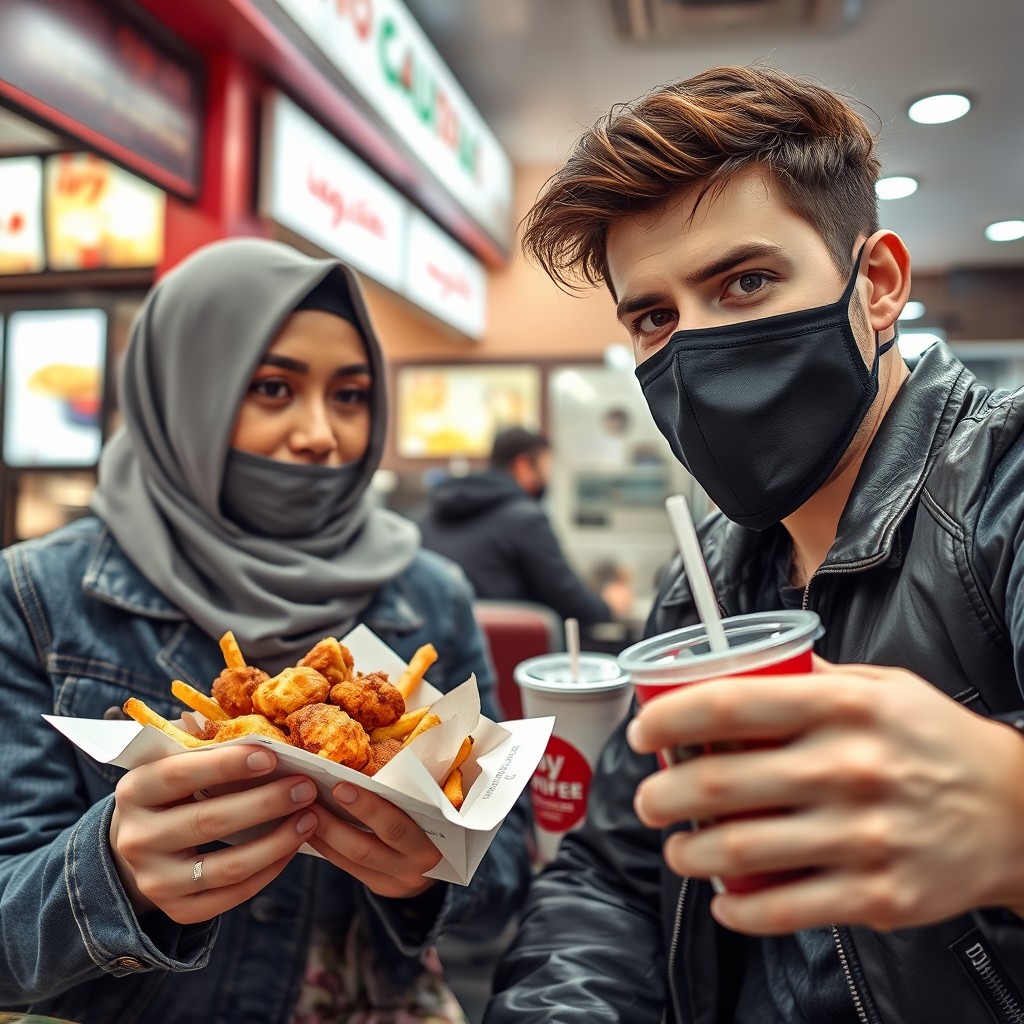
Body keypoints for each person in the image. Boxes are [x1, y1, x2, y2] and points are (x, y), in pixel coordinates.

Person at [483, 65, 1024, 1023]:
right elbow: (612, 877)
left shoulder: (1002, 489)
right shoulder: (704, 588)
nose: (694, 345)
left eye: (746, 281)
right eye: (653, 317)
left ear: (881, 285)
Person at [0, 238, 530, 1024]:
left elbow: (509, 860)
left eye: (350, 396)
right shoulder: (35, 598)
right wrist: (112, 868)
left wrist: (433, 874)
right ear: (184, 394)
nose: (320, 433)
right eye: (274, 387)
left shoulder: (430, 594)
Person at [419, 427, 632, 626]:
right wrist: (608, 606)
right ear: (523, 465)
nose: (548, 478)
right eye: (545, 466)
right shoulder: (525, 519)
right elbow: (571, 603)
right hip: (512, 659)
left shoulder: (430, 515)